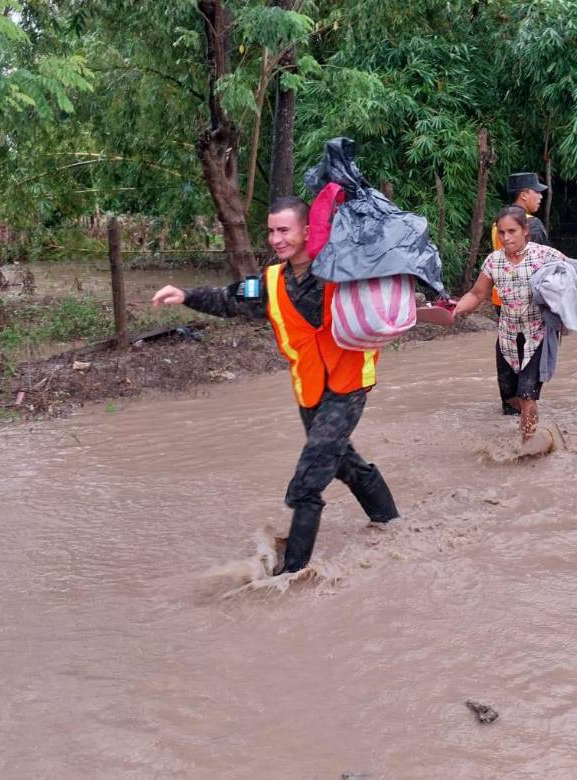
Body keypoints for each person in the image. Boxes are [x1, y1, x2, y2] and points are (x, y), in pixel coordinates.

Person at [150, 196, 399, 575]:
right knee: (342, 462)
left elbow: (381, 270)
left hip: (348, 387)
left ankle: (291, 575)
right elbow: (228, 298)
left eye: (284, 230)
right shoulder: (269, 283)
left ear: (307, 231)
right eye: (270, 231)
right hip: (309, 389)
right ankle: (390, 521)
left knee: (308, 480)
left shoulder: (341, 269)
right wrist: (186, 295)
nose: (276, 239)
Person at [455, 205, 568, 440]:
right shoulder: (493, 261)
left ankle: (528, 443)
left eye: (512, 231)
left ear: (525, 230)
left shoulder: (545, 256)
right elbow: (477, 294)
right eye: (501, 232)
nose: (506, 238)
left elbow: (572, 276)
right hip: (507, 337)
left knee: (527, 394)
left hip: (537, 335)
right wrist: (455, 309)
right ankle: (533, 432)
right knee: (510, 396)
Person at [490, 172, 550, 414]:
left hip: (502, 302)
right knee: (529, 360)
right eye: (537, 192)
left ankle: (510, 411)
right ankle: (525, 412)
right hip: (528, 306)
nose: (540, 197)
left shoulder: (498, 224)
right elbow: (547, 272)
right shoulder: (529, 225)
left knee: (509, 355)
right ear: (524, 194)